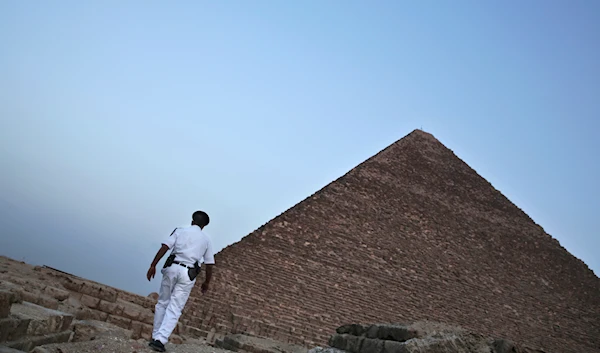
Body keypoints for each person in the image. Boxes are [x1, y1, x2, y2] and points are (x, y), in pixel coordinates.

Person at [146, 210, 215, 352]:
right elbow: (209, 264)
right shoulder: (206, 240)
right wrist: (206, 282)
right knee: (175, 307)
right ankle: (160, 339)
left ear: (192, 220)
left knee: (162, 302)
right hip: (188, 273)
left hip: (171, 267)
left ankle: (155, 336)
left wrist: (153, 264)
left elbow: (165, 247)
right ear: (204, 226)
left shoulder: (180, 231)